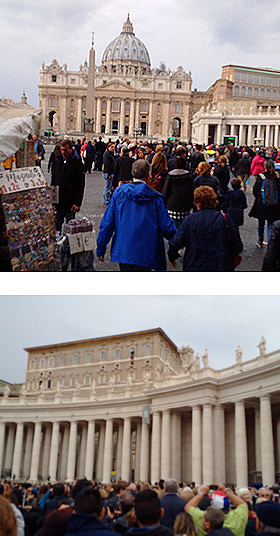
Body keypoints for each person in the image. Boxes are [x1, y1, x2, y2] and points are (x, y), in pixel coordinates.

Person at [96, 159, 177, 271]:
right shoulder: (155, 198)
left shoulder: (119, 193)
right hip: (146, 250)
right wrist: (178, 244)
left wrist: (101, 247)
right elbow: (166, 227)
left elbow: (107, 223)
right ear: (149, 174)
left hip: (124, 249)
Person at [168, 185, 243, 271]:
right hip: (220, 264)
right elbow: (237, 245)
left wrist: (172, 256)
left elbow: (176, 242)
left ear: (196, 202)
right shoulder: (224, 219)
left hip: (194, 264)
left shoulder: (189, 220)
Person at [55, 140, 85, 231]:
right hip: (58, 200)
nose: (63, 152)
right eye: (62, 150)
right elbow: (54, 179)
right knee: (56, 226)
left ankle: (68, 244)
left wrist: (77, 203)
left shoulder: (78, 163)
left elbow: (80, 184)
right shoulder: (58, 160)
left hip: (70, 201)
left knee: (70, 227)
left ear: (71, 149)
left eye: (65, 150)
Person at [248, 160, 280, 247]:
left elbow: (255, 189)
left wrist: (258, 198)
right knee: (270, 225)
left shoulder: (261, 177)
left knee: (261, 223)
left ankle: (260, 240)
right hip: (273, 204)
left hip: (261, 203)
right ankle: (270, 243)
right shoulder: (276, 178)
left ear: (265, 167)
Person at [162, 156, 194, 228]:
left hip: (172, 205)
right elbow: (191, 191)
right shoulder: (189, 176)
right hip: (185, 205)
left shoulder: (170, 176)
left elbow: (166, 191)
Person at [102, 142, 116, 206]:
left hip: (109, 172)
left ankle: (107, 200)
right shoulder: (107, 154)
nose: (113, 148)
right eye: (112, 147)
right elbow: (107, 165)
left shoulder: (110, 153)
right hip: (108, 173)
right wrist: (110, 174)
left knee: (108, 187)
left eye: (114, 147)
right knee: (108, 187)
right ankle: (106, 201)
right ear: (108, 147)